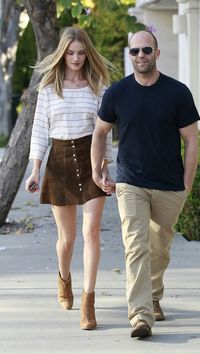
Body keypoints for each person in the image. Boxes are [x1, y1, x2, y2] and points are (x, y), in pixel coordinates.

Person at [91, 30, 200, 338]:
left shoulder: (177, 93)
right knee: (135, 246)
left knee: (160, 248)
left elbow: (191, 141)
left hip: (169, 184)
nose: (141, 55)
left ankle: (153, 295)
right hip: (130, 182)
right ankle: (140, 315)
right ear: (130, 55)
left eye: (146, 50)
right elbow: (100, 133)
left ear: (157, 53)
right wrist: (97, 170)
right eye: (135, 51)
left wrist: (186, 184)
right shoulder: (117, 93)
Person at [25, 26, 114, 330]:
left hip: (90, 160)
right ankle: (64, 278)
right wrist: (35, 169)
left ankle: (88, 304)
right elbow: (38, 131)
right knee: (68, 239)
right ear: (62, 54)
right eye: (70, 53)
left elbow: (104, 132)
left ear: (87, 53)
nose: (76, 58)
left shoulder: (97, 86)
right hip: (59, 162)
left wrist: (103, 166)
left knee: (92, 233)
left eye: (81, 52)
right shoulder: (49, 88)